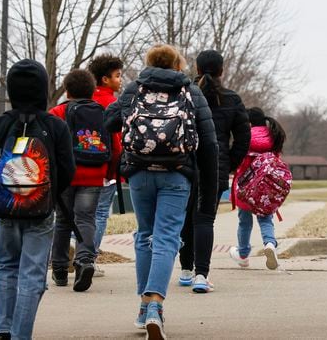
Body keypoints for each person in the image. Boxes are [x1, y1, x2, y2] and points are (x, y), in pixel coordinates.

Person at [105, 44, 218, 340]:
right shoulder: (191, 91)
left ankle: (143, 308)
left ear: (149, 63)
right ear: (178, 65)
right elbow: (209, 141)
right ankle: (154, 304)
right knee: (167, 236)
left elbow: (109, 120)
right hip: (177, 174)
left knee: (144, 235)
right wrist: (208, 185)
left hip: (140, 173)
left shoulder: (134, 88)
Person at [0, 60, 76, 340]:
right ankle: (21, 335)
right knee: (32, 274)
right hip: (41, 211)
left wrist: (5, 194)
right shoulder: (55, 126)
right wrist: (47, 193)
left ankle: (3, 330)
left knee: (7, 266)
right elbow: (67, 168)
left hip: (6, 211)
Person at [178, 50, 250, 292]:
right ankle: (201, 275)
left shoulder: (185, 95)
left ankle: (186, 269)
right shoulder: (231, 99)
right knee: (205, 219)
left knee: (185, 219)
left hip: (185, 164)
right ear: (222, 71)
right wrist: (229, 163)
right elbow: (243, 139)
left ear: (197, 69)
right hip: (215, 165)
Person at [48, 69, 111, 292]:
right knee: (86, 219)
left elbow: (48, 146)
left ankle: (60, 270)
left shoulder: (57, 112)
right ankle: (85, 260)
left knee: (63, 221)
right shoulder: (102, 112)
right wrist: (110, 172)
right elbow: (115, 143)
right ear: (92, 91)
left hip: (65, 176)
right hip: (94, 173)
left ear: (67, 90)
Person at [229, 107, 286, 271]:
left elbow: (237, 160)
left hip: (246, 187)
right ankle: (269, 244)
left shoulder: (246, 137)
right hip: (265, 188)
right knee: (266, 219)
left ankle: (243, 254)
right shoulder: (273, 138)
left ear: (249, 122)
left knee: (244, 222)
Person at [87, 53, 124, 277]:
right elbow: (117, 139)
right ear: (105, 79)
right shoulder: (112, 103)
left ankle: (75, 246)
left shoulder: (85, 98)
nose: (120, 80)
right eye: (117, 76)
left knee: (83, 212)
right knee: (100, 212)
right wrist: (118, 167)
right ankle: (89, 259)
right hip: (106, 166)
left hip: (83, 165)